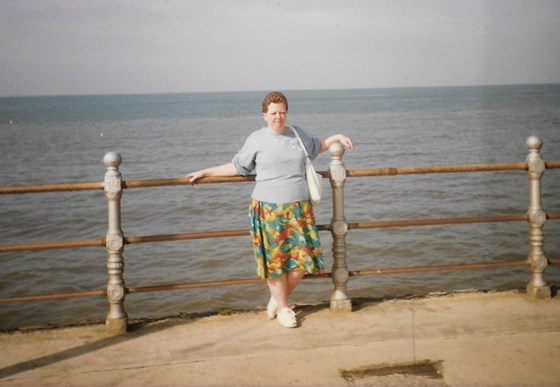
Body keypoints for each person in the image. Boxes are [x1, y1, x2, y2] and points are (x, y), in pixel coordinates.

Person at [186, 91, 354, 328]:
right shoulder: (256, 139)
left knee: (304, 261)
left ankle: (278, 299)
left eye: (282, 112)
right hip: (268, 210)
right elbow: (238, 167)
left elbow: (321, 145)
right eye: (274, 113)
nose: (279, 117)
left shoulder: (297, 135)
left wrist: (338, 136)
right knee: (275, 263)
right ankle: (284, 307)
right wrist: (205, 172)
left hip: (299, 209)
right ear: (264, 115)